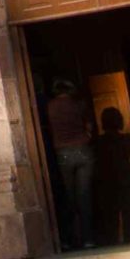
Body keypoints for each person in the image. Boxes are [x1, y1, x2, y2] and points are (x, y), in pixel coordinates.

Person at [45, 79, 95, 249]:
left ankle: (67, 240)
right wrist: (86, 136)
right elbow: (89, 126)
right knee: (85, 196)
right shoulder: (78, 104)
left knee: (67, 197)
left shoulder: (50, 106)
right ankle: (88, 239)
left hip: (63, 153)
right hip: (83, 150)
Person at [93, 106, 130, 248]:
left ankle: (112, 246)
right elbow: (128, 154)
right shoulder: (126, 139)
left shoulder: (98, 142)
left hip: (108, 183)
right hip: (126, 180)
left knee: (111, 220)